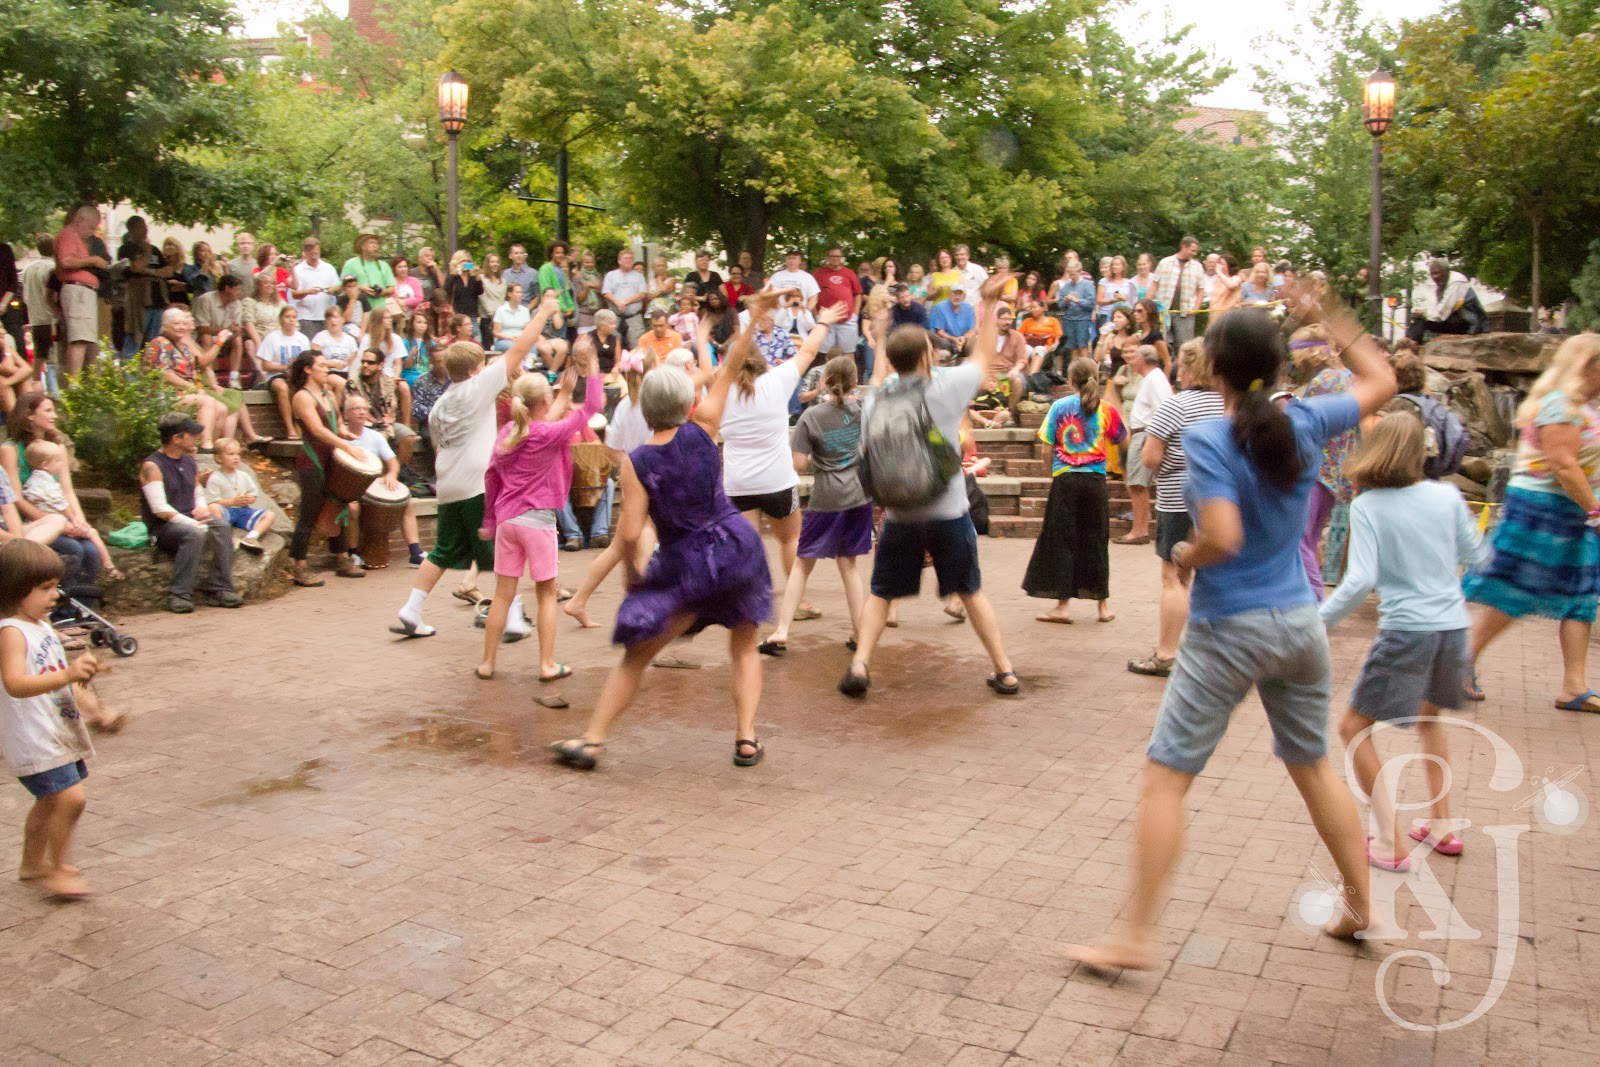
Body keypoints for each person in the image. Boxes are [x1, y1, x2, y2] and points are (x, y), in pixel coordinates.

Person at [1062, 298, 1396, 972]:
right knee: (1312, 766)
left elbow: (1222, 536)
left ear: (1212, 366)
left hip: (1228, 630)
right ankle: (1363, 906)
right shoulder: (1305, 420)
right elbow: (1382, 379)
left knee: (1166, 779)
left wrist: (1187, 556)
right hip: (1300, 621)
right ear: (1275, 368)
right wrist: (1331, 314)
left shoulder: (1214, 438)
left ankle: (1134, 935)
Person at [549, 335, 776, 773]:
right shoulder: (704, 426)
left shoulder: (638, 461)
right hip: (735, 548)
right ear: (687, 402)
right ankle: (746, 738)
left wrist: (634, 579)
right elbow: (731, 367)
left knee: (637, 655)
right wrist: (757, 316)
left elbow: (631, 531)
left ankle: (593, 742)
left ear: (646, 408)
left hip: (687, 564)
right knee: (744, 645)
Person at [839, 272, 1020, 699]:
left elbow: (879, 390)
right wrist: (989, 304)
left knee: (881, 593)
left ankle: (861, 663)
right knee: (970, 591)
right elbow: (984, 359)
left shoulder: (876, 397)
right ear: (926, 356)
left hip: (900, 513)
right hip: (948, 509)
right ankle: (1005, 670)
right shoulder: (944, 389)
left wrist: (881, 335)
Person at [1322, 412, 1487, 870]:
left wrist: (1320, 622)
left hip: (1408, 630)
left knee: (1354, 729)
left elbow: (1358, 582)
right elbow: (1476, 555)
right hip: (1453, 628)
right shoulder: (1446, 495)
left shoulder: (1369, 506)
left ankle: (1392, 840)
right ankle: (1443, 824)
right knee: (1428, 720)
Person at [392, 291, 560, 638]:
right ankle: (512, 617)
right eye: (481, 365)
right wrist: (543, 313)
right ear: (473, 370)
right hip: (476, 484)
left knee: (441, 551)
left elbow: (438, 445)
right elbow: (518, 351)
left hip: (449, 485)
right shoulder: (478, 386)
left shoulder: (441, 404)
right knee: (502, 552)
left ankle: (411, 608)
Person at [1463, 334, 1600, 711]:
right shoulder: (1560, 405)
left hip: (1573, 508)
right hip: (1543, 508)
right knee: (1518, 591)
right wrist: (1596, 512)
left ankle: (1574, 686)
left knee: (1582, 593)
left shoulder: (1587, 406)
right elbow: (1564, 465)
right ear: (1587, 365)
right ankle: (1461, 660)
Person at [479, 349, 604, 680]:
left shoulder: (509, 432)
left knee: (503, 594)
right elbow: (592, 407)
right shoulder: (549, 434)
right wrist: (592, 367)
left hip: (507, 520)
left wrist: (490, 520)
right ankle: (547, 664)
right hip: (538, 522)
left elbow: (491, 475)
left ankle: (487, 662)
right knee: (546, 594)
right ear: (542, 403)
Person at [723, 294, 843, 623]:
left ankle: (748, 601)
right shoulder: (776, 381)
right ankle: (797, 604)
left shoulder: (720, 392)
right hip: (776, 480)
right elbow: (807, 351)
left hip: (738, 482)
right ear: (759, 358)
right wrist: (823, 320)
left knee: (748, 545)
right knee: (790, 540)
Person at [0, 539, 103, 901]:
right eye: (45, 588)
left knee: (49, 801)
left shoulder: (41, 626)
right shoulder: (11, 632)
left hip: (55, 731)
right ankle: (58, 868)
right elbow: (15, 684)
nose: (55, 595)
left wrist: (92, 705)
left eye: (55, 586)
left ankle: (31, 864)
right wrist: (66, 676)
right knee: (70, 800)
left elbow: (57, 675)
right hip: (33, 738)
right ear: (15, 590)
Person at [758, 354, 872, 655]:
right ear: (855, 381)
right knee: (848, 565)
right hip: (859, 495)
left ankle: (782, 632)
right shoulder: (865, 411)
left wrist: (815, 458)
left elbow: (799, 463)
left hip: (827, 497)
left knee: (802, 563)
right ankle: (860, 632)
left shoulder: (812, 417)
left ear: (824, 381)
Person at [1129, 340, 1225, 677]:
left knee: (1175, 576)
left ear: (1187, 367)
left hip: (1178, 499)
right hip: (1221, 501)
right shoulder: (1229, 405)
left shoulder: (1176, 405)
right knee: (1214, 575)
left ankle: (1167, 653)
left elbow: (1151, 456)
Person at [1024, 355, 1127, 623]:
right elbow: (1121, 439)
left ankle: (1062, 606)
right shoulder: (1106, 410)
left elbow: (1047, 447)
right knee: (1096, 540)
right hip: (1095, 482)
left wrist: (1051, 472)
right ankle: (1103, 606)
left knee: (1063, 540)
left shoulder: (1060, 407)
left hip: (1066, 479)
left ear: (1071, 380)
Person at [139, 412, 244, 613]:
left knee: (222, 525)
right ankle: (179, 594)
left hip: (189, 518)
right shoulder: (152, 466)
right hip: (163, 527)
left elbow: (197, 491)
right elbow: (160, 510)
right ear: (176, 438)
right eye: (191, 434)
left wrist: (202, 508)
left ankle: (220, 588)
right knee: (194, 534)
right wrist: (194, 524)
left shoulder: (188, 461)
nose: (196, 437)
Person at [283, 352, 366, 586]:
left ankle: (341, 557)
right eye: (321, 365)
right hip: (312, 461)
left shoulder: (328, 393)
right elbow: (317, 430)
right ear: (308, 370)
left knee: (339, 504)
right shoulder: (302, 396)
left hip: (332, 458)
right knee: (310, 512)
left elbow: (337, 423)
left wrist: (346, 433)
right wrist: (346, 447)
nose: (326, 369)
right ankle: (299, 565)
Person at [145, 307, 264, 451]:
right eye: (177, 324)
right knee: (207, 402)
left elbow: (196, 370)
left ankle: (209, 446)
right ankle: (205, 445)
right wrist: (192, 388)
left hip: (187, 392)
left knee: (221, 408)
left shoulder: (183, 346)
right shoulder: (159, 343)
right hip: (167, 394)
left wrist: (200, 387)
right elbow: (165, 374)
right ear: (166, 325)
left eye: (184, 323)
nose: (181, 327)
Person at [1295, 324, 1357, 599]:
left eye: (1294, 349)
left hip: (1318, 470)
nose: (1292, 356)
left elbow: (1307, 423)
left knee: (1302, 541)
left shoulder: (1324, 382)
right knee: (1312, 536)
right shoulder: (1347, 377)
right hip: (1336, 472)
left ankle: (1315, 602)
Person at [341, 396, 425, 568]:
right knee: (353, 508)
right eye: (357, 408)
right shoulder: (340, 437)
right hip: (349, 488)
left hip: (373, 486)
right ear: (346, 414)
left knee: (406, 502)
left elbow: (393, 462)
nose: (362, 412)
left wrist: (392, 475)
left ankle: (415, 553)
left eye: (365, 408)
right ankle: (353, 554)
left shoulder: (375, 436)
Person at [21, 442, 116, 582]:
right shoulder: (43, 482)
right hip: (50, 524)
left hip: (63, 522)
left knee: (90, 550)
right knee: (76, 547)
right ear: (45, 464)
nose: (62, 464)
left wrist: (78, 521)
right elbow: (60, 503)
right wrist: (73, 519)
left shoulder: (40, 479)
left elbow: (65, 495)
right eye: (58, 461)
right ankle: (107, 565)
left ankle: (85, 594)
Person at [1115, 343, 1173, 546]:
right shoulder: (1152, 379)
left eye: (1135, 356)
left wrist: (1155, 438)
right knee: (1136, 483)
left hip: (1145, 434)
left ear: (1143, 359)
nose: (1132, 361)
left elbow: (1165, 409)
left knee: (1138, 483)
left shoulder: (1154, 379)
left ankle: (1139, 531)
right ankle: (1139, 529)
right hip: (1142, 433)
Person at [54, 204, 108, 374]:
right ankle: (74, 385)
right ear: (81, 220)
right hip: (77, 290)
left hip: (86, 292)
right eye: (92, 227)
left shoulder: (80, 239)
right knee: (79, 339)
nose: (93, 232)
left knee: (89, 341)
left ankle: (88, 385)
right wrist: (92, 260)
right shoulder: (68, 234)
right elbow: (66, 261)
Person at [203, 437, 275, 553]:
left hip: (243, 511)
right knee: (212, 508)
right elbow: (213, 501)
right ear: (218, 458)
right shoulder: (215, 477)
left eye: (238, 454)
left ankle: (251, 537)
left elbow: (253, 492)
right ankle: (228, 539)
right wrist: (232, 502)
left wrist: (250, 498)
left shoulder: (244, 475)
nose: (236, 457)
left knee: (270, 515)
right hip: (225, 511)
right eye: (231, 454)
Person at [349, 346, 417, 468]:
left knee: (408, 436)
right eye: (363, 362)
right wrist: (377, 423)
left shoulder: (388, 382)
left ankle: (399, 470)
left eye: (370, 362)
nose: (365, 365)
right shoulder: (353, 383)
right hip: (363, 424)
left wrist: (386, 422)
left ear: (380, 365)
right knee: (378, 438)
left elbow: (391, 408)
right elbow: (354, 408)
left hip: (386, 422)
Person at [1408, 257, 1484, 342]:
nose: (1434, 277)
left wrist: (1423, 313)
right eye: (1432, 274)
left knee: (1421, 320)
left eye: (1437, 273)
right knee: (1419, 321)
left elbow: (1441, 314)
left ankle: (1408, 345)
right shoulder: (1443, 284)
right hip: (1457, 320)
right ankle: (1408, 344)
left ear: (1445, 271)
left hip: (1470, 324)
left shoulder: (1456, 282)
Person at [1153, 236, 1205, 348]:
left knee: (1185, 345)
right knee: (1162, 343)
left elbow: (1201, 290)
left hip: (1186, 313)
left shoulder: (1198, 267)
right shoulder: (1165, 262)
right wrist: (1147, 303)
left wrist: (1196, 308)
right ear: (1183, 247)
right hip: (1164, 311)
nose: (1194, 254)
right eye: (1193, 250)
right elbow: (1154, 284)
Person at [812, 246, 863, 354]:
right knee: (825, 353)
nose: (835, 258)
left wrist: (855, 314)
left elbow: (858, 294)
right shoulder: (818, 274)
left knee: (848, 353)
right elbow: (812, 294)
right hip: (826, 320)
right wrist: (816, 314)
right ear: (828, 258)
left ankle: (850, 371)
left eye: (838, 256)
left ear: (841, 258)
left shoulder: (849, 273)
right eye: (832, 256)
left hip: (847, 320)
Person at [289, 237, 338, 341]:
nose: (314, 257)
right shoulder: (298, 270)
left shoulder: (328, 268)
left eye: (316, 253)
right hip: (306, 316)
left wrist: (332, 289)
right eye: (311, 254)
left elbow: (338, 287)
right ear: (305, 253)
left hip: (325, 315)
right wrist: (308, 292)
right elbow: (294, 294)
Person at [22, 236, 58, 376]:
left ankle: (35, 385)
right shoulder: (53, 268)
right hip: (51, 318)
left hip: (35, 318)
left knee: (39, 356)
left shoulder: (28, 268)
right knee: (56, 358)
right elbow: (53, 294)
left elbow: (25, 295)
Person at [602, 249, 649, 346]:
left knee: (637, 346)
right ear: (619, 261)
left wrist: (626, 302)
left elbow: (642, 293)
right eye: (626, 258)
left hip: (634, 317)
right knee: (614, 345)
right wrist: (617, 302)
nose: (629, 260)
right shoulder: (611, 275)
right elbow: (606, 292)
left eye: (631, 259)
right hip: (615, 317)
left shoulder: (639, 276)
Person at [340, 233, 396, 313]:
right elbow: (342, 286)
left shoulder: (384, 265)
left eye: (377, 243)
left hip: (380, 312)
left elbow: (392, 288)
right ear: (362, 246)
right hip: (359, 311)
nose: (375, 246)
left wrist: (381, 292)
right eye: (371, 243)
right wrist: (361, 288)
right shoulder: (351, 264)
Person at [1055, 261, 1096, 361]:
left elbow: (1091, 303)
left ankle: (1086, 370)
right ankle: (1074, 373)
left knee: (1082, 346)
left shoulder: (1087, 285)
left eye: (1073, 274)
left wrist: (1077, 300)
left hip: (1082, 320)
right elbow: (1060, 304)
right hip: (1069, 320)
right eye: (1069, 274)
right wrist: (1065, 301)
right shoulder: (1067, 286)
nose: (1071, 276)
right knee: (1072, 348)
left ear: (1079, 272)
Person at [928, 285, 977, 361]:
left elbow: (971, 330)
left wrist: (963, 338)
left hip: (963, 339)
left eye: (959, 294)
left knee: (975, 340)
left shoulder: (969, 308)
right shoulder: (940, 307)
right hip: (946, 339)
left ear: (963, 296)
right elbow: (940, 332)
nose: (957, 297)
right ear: (949, 294)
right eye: (955, 293)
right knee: (944, 343)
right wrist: (954, 339)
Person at [311, 304, 360, 377]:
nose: (332, 320)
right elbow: (315, 361)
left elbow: (352, 362)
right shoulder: (320, 337)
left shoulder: (350, 340)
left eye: (335, 317)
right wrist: (334, 364)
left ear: (342, 319)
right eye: (329, 318)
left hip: (346, 374)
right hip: (326, 373)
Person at [1019, 297, 1062, 373]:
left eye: (1035, 307)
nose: (1032, 310)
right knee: (1026, 349)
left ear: (1042, 308)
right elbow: (1018, 335)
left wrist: (1053, 347)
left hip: (1046, 347)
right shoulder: (1027, 321)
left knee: (1038, 349)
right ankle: (1023, 376)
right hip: (1029, 344)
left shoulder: (1053, 321)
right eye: (1031, 308)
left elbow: (1058, 338)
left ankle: (1032, 376)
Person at [398, 308, 436, 391]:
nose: (422, 325)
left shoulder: (432, 344)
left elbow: (432, 365)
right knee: (419, 381)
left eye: (425, 323)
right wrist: (411, 355)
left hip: (426, 373)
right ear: (412, 324)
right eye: (419, 322)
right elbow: (406, 366)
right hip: (410, 374)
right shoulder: (405, 343)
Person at [536, 242, 574, 324]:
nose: (560, 255)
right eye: (557, 252)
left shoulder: (561, 271)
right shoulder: (545, 269)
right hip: (552, 314)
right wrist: (560, 308)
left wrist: (571, 308)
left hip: (564, 314)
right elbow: (546, 292)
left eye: (563, 252)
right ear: (551, 254)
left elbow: (565, 292)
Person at [492, 284, 533, 353]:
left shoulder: (525, 310)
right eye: (517, 292)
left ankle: (529, 361)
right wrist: (511, 338)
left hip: (521, 339)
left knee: (532, 345)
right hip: (504, 340)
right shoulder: (501, 310)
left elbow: (527, 330)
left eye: (521, 292)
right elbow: (496, 333)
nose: (520, 294)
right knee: (515, 346)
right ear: (509, 294)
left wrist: (521, 338)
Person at [477, 253, 507, 347]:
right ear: (487, 264)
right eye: (492, 262)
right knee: (488, 345)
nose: (495, 264)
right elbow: (482, 297)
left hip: (501, 318)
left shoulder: (503, 281)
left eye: (497, 262)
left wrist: (501, 314)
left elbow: (503, 299)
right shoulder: (482, 279)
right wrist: (493, 314)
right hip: (487, 318)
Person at [501, 243, 538, 308]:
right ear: (510, 256)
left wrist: (527, 310)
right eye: (516, 253)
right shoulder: (505, 274)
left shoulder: (533, 273)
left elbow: (537, 296)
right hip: (508, 309)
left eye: (521, 253)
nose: (519, 255)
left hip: (526, 308)